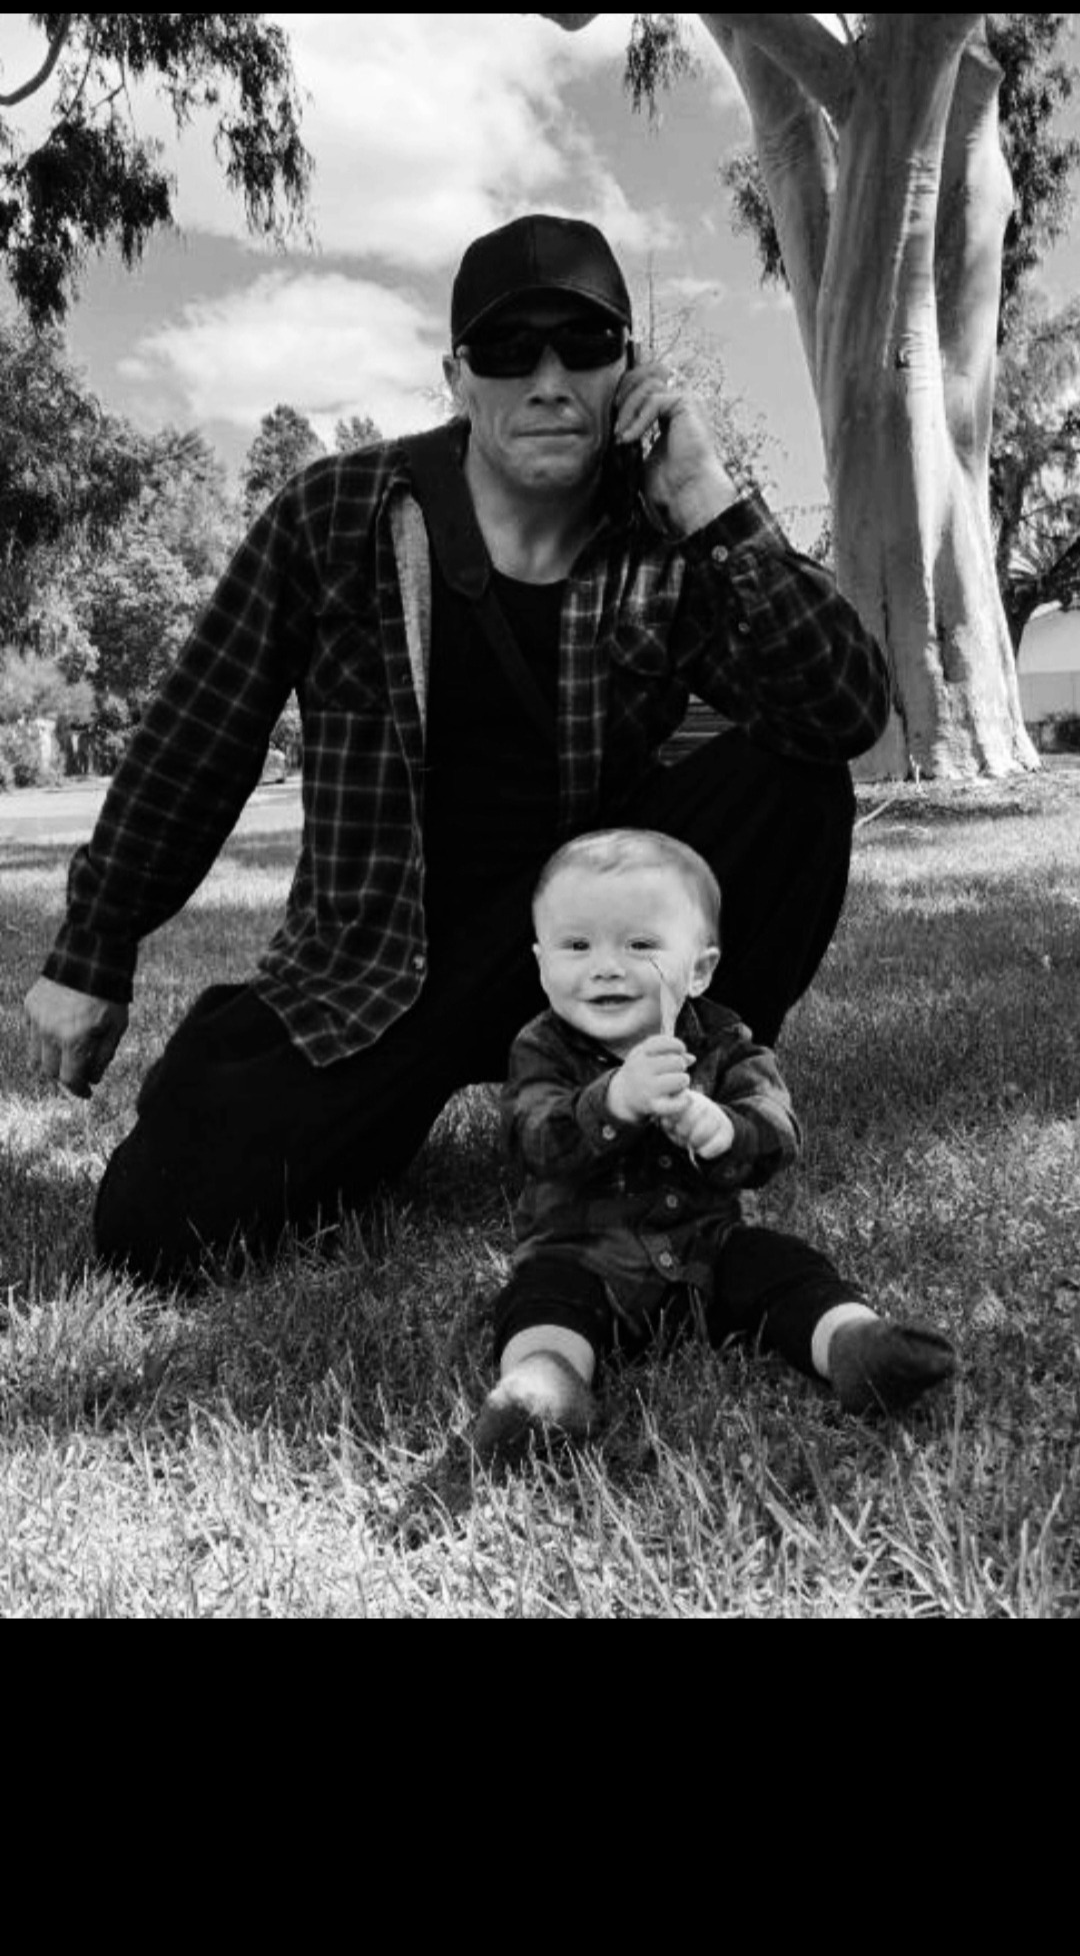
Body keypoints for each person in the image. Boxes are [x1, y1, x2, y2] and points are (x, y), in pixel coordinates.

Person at [24, 212, 892, 1288]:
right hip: (379, 964)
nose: (548, 380)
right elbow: (200, 733)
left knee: (795, 777)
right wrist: (94, 949)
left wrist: (707, 496)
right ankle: (243, 1051)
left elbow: (844, 711)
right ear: (457, 377)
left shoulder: (663, 538)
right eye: (508, 350)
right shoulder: (335, 515)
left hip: (584, 936)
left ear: (628, 368)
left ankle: (678, 1091)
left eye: (583, 345)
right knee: (159, 1230)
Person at [474, 828, 955, 1455]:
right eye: (576, 945)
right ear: (542, 966)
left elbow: (778, 1130)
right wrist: (613, 1102)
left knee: (780, 1264)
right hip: (581, 1258)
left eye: (639, 944)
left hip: (706, 1255)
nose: (605, 965)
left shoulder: (725, 1043)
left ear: (699, 969)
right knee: (541, 1298)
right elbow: (531, 1139)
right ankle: (544, 1390)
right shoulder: (542, 1048)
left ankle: (854, 1344)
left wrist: (725, 1131)